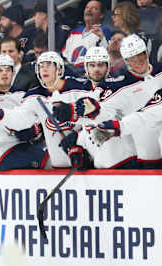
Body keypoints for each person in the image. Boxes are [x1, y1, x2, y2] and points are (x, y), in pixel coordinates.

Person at [0, 51, 93, 169]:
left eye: (48, 65)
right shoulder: (34, 96)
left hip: (90, 150)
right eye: (41, 66)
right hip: (62, 161)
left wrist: (79, 137)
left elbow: (98, 115)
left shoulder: (80, 88)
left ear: (59, 69)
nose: (44, 69)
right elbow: (19, 118)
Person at [69, 34, 162, 168]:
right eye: (132, 58)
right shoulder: (121, 85)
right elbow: (102, 109)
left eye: (140, 55)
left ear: (146, 53)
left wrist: (117, 127)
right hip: (144, 149)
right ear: (126, 61)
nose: (138, 61)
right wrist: (79, 133)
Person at [53, 46, 139, 169]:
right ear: (86, 68)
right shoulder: (85, 93)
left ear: (107, 67)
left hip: (124, 162)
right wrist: (78, 143)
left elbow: (104, 115)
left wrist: (75, 113)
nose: (96, 69)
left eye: (100, 65)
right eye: (92, 65)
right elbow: (91, 128)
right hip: (101, 166)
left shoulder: (117, 88)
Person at [62, 0, 112, 74]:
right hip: (70, 73)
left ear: (101, 15)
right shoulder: (75, 32)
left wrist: (102, 38)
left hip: (88, 74)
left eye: (94, 8)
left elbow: (106, 54)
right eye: (87, 7)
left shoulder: (103, 31)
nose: (89, 10)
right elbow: (65, 55)